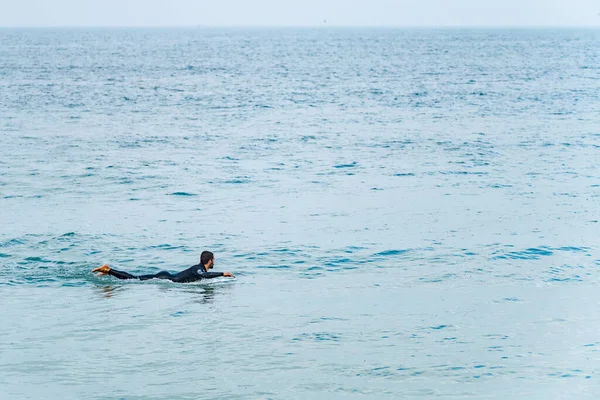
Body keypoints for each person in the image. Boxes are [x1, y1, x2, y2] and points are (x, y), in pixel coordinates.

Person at [92, 251, 234, 283]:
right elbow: (203, 275)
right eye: (214, 259)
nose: (214, 261)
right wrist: (223, 274)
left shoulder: (199, 268)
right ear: (210, 260)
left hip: (166, 276)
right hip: (165, 278)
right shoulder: (200, 269)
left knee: (135, 277)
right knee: (133, 279)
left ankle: (109, 272)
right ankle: (108, 269)